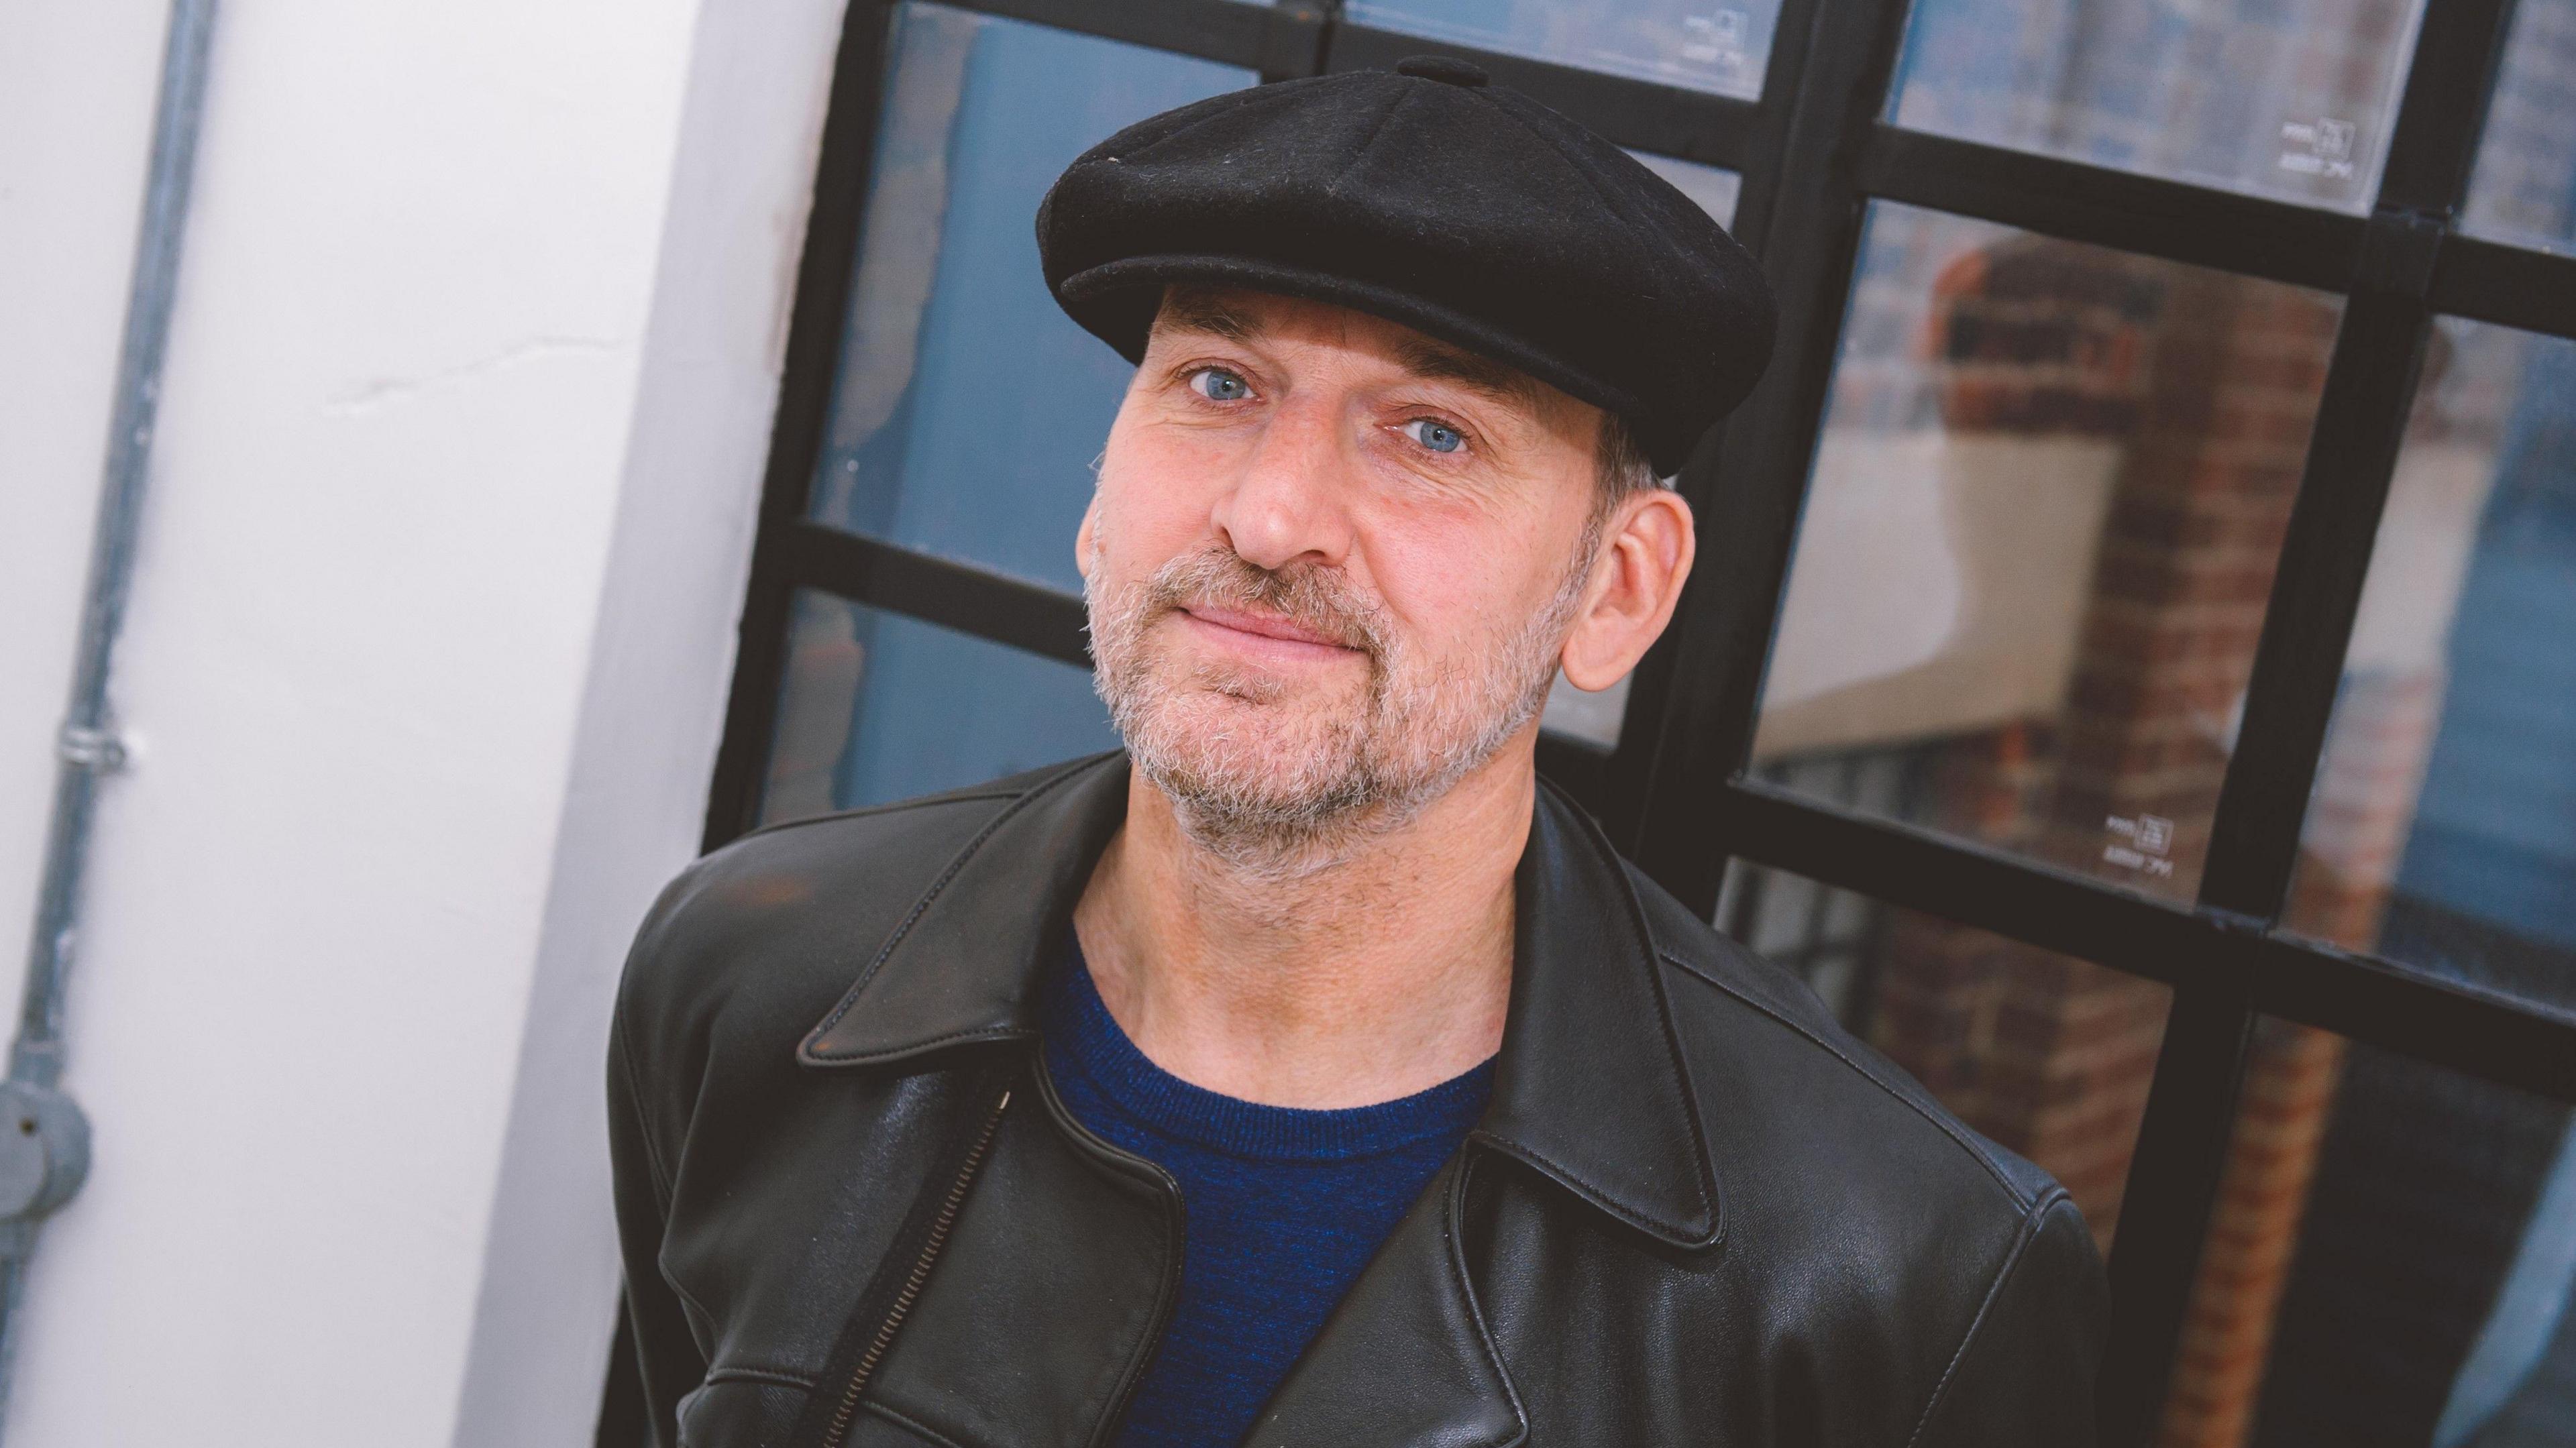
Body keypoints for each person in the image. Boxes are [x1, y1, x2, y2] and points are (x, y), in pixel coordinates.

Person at [608, 56, 2104, 1448]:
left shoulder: (1888, 1276)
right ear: (1098, 485)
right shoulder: (758, 982)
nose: (1269, 520)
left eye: (1434, 434)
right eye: (1218, 386)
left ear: (1617, 590)